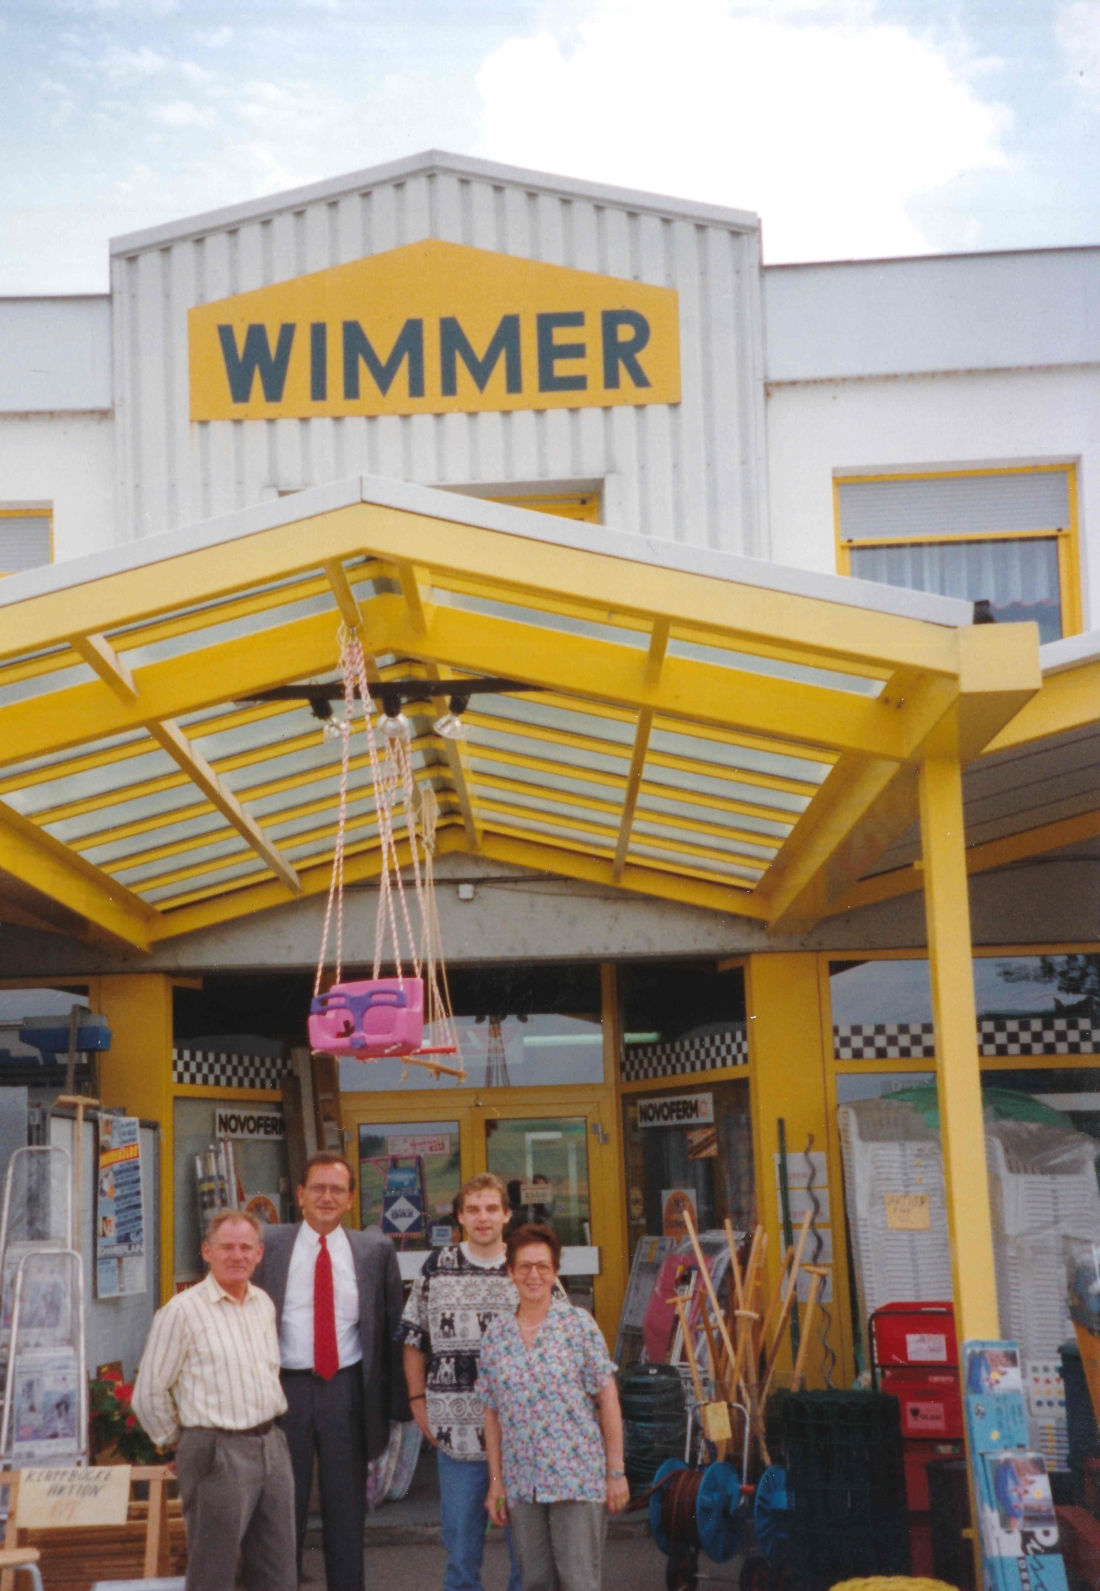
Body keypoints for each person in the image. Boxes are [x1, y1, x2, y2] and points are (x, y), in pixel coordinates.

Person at [252, 1149, 410, 1591]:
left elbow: (391, 1327)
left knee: (346, 1515)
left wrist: (399, 1409)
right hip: (284, 1393)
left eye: (336, 1189)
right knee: (283, 1511)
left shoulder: (375, 1250)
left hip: (346, 1392)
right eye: (317, 1188)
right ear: (300, 1194)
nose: (326, 1196)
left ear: (350, 1199)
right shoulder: (268, 1245)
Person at [133, 1210, 296, 1591]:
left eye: (245, 1247)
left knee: (278, 1572)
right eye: (226, 1247)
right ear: (207, 1252)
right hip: (216, 1451)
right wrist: (178, 1443)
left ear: (258, 1253)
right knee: (214, 1574)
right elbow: (149, 1393)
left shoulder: (263, 1304)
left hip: (271, 1445)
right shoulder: (182, 1312)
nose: (236, 1255)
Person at [479, 1223, 629, 1591]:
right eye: (525, 1266)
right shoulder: (496, 1335)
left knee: (579, 1581)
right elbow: (491, 1412)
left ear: (555, 1272)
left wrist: (616, 1472)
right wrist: (495, 1483)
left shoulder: (578, 1325)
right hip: (522, 1483)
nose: (534, 1275)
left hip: (575, 1478)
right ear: (510, 1272)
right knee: (535, 1581)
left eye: (543, 1266)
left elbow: (608, 1399)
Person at [399, 1172, 522, 1591]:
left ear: (506, 1214)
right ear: (460, 1217)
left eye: (491, 1208)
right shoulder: (437, 1267)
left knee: (526, 1554)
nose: (483, 1218)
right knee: (462, 1553)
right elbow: (414, 1341)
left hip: (522, 1436)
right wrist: (418, 1402)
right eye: (473, 1210)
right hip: (456, 1434)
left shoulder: (526, 1266)